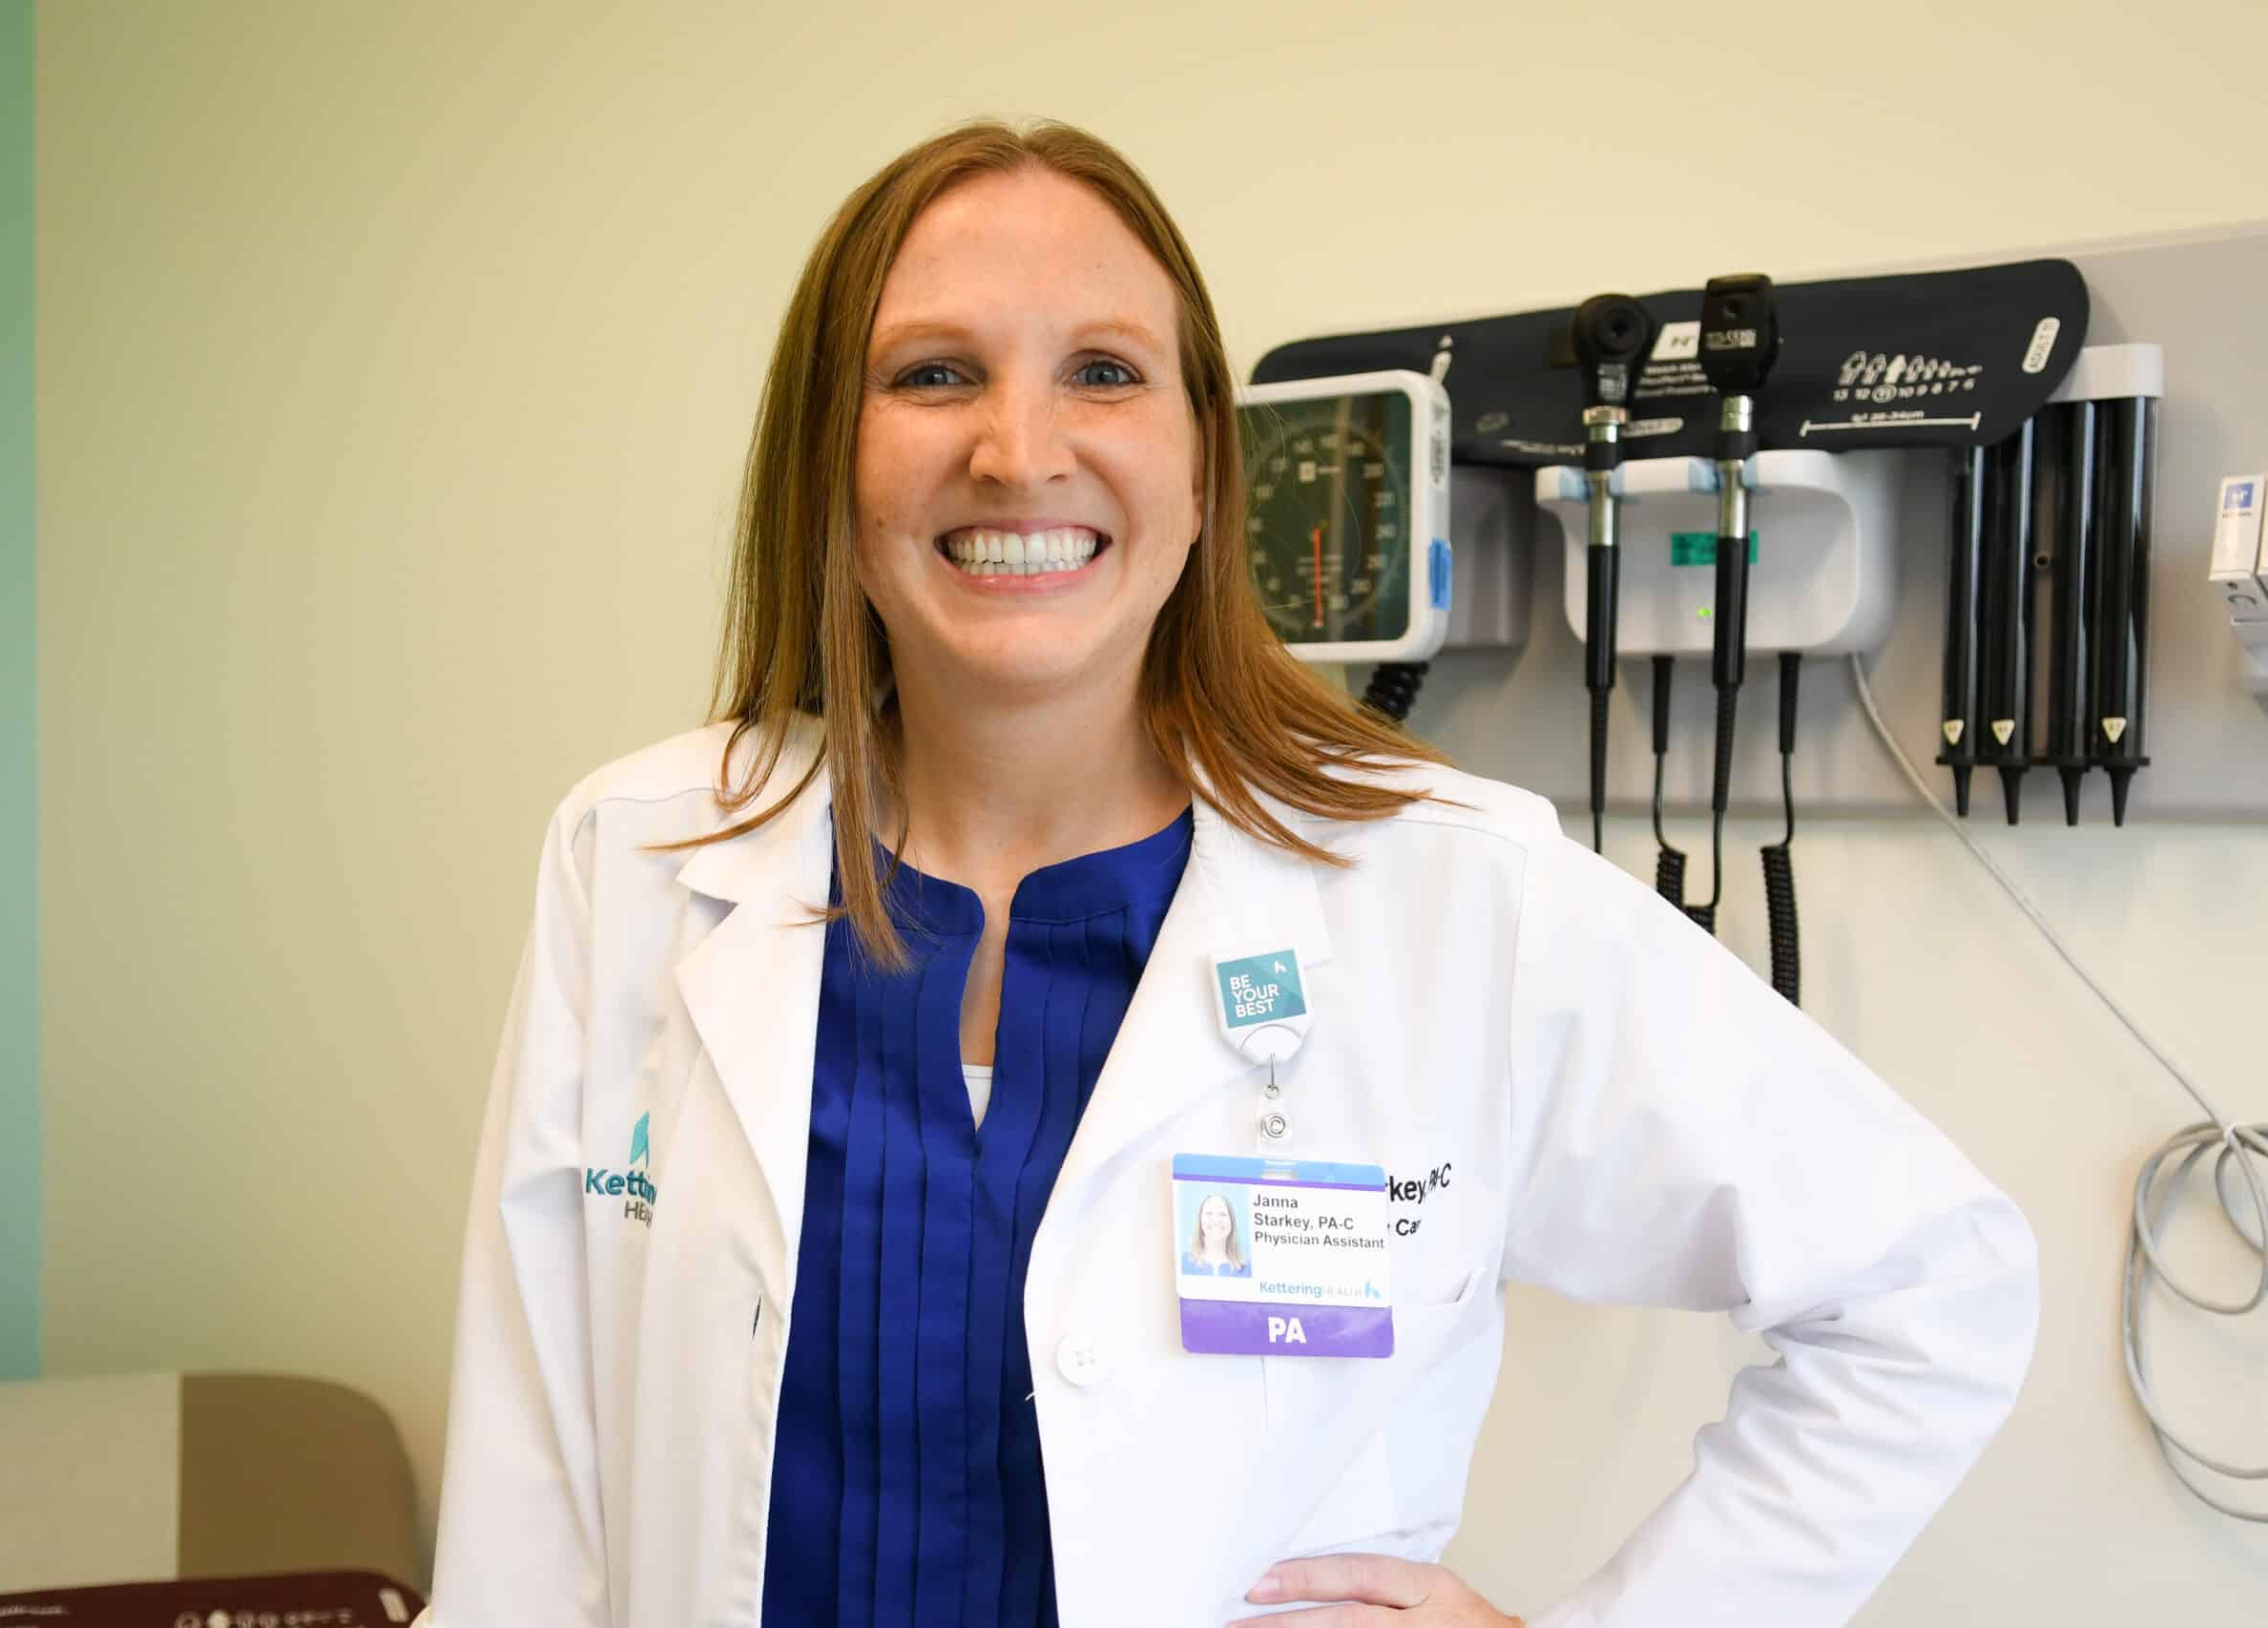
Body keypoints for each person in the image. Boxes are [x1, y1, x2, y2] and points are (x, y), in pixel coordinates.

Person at [420, 118, 2039, 1628]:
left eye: (1104, 372)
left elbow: (1931, 1285)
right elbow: (530, 1482)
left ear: (1203, 471)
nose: (1017, 447)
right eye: (931, 374)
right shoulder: (642, 858)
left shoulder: (1449, 897)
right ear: (826, 473)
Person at [1182, 1190, 1251, 1277]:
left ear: (1231, 1221)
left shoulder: (1248, 1270)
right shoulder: (1183, 1263)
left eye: (1223, 1214)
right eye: (1209, 1214)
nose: (1216, 1221)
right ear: (1200, 1220)